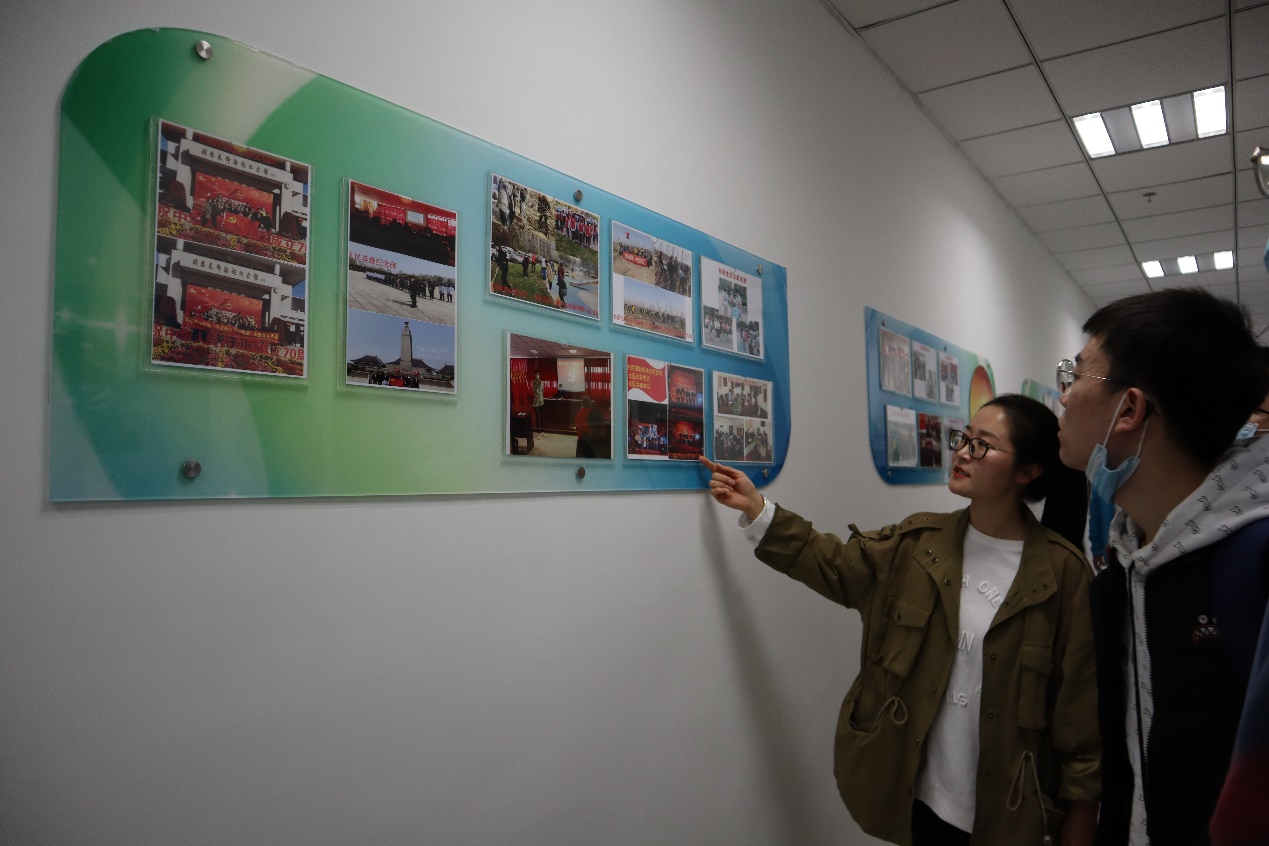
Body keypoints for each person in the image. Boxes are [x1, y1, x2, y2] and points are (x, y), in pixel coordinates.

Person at [703, 395, 1099, 846]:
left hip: (1009, 819)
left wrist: (1080, 822)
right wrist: (759, 510)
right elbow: (838, 566)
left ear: (1027, 472)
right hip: (920, 803)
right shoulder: (920, 544)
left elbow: (1080, 717)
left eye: (982, 446)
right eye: (963, 438)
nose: (962, 452)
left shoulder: (1063, 576)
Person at [1054, 288, 1269, 846]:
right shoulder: (1123, 568)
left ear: (1129, 409)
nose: (1065, 396)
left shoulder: (1255, 566)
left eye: (1076, 374)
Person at [532, 371, 545, 436]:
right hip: (536, 401)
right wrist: (538, 384)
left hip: (541, 401)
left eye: (538, 374)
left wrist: (543, 399)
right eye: (536, 374)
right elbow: (534, 390)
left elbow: (543, 391)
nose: (537, 376)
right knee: (537, 417)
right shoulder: (533, 382)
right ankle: (538, 432)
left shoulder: (542, 382)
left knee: (542, 416)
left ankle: (542, 431)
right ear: (535, 375)